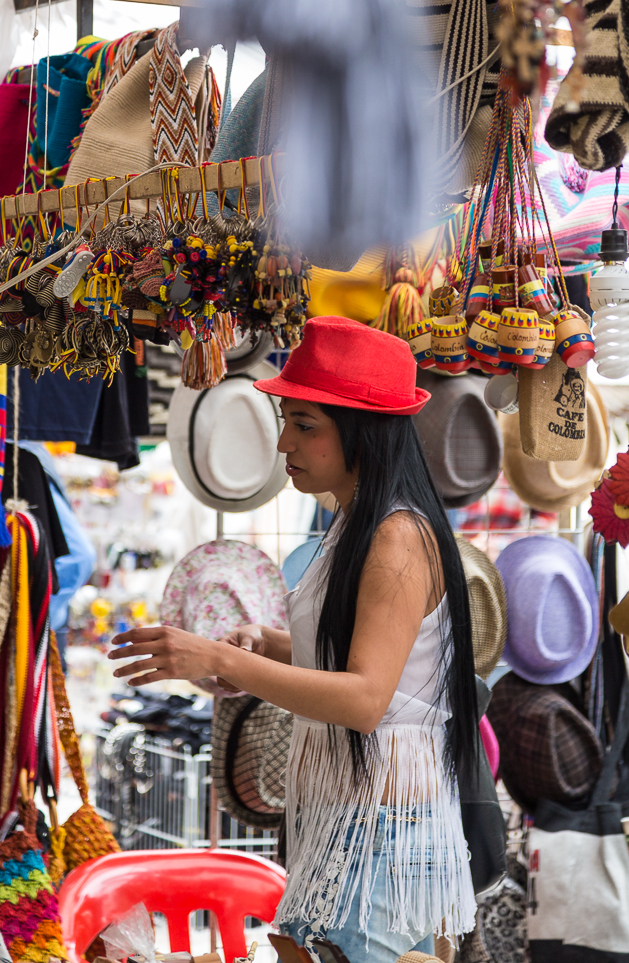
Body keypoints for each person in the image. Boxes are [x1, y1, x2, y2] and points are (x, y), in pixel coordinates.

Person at [109, 316, 478, 960]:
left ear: (364, 432)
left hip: (382, 829)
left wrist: (219, 656)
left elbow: (365, 699)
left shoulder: (395, 538)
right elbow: (370, 665)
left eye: (305, 426)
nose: (285, 444)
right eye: (287, 422)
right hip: (356, 818)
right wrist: (269, 644)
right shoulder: (357, 524)